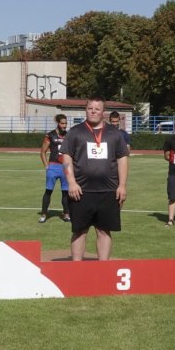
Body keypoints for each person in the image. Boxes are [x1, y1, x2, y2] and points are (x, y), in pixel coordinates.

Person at [60, 97, 129, 261]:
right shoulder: (75, 132)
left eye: (97, 109)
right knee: (79, 231)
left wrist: (122, 185)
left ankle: (103, 270)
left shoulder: (115, 134)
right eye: (90, 108)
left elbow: (122, 160)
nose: (93, 111)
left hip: (108, 191)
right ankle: (77, 269)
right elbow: (66, 159)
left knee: (104, 231)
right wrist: (71, 183)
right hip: (81, 191)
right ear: (86, 110)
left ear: (103, 112)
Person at [38, 114, 70, 223]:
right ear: (57, 123)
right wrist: (47, 165)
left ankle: (66, 213)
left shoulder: (69, 135)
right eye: (62, 123)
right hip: (53, 165)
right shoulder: (50, 135)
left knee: (66, 192)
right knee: (48, 191)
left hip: (65, 166)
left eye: (66, 123)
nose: (64, 125)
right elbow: (43, 152)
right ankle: (44, 214)